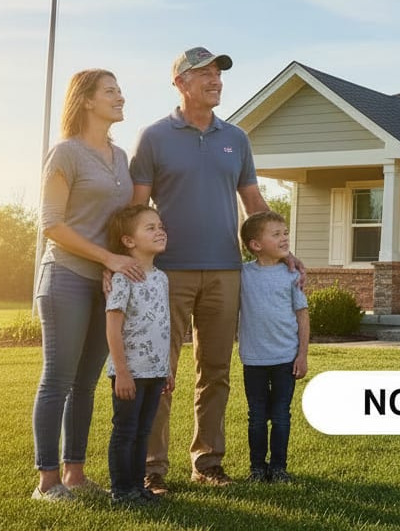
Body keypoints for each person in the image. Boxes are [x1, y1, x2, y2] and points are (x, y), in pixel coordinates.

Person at [128, 47, 302, 491]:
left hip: (226, 271)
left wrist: (283, 250)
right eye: (203, 74)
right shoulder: (154, 137)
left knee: (216, 371)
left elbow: (254, 204)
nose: (215, 80)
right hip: (169, 272)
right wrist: (129, 260)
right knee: (158, 371)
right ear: (180, 83)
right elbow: (135, 207)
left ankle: (207, 462)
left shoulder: (236, 138)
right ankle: (152, 468)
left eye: (218, 74)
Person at [32, 69, 145, 501]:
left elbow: (120, 222)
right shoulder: (65, 153)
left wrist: (119, 261)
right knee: (58, 380)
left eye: (120, 89)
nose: (120, 96)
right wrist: (107, 258)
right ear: (86, 101)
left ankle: (75, 474)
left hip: (105, 283)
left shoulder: (119, 157)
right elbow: (52, 225)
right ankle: (47, 481)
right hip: (66, 276)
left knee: (86, 382)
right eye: (111, 91)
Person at [103, 205, 174, 505]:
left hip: (155, 371)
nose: (160, 231)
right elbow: (113, 328)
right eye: (150, 227)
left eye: (160, 226)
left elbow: (163, 326)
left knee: (143, 431)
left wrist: (166, 367)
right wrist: (121, 371)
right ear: (128, 241)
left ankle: (137, 486)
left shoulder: (162, 278)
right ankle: (122, 490)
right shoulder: (123, 277)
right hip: (129, 373)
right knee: (126, 431)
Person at [237, 211, 309, 483]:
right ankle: (257, 468)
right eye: (276, 234)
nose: (284, 238)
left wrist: (302, 354)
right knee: (256, 415)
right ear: (256, 245)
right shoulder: (243, 275)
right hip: (254, 359)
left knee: (280, 415)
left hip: (285, 359)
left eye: (285, 233)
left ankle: (278, 468)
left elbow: (302, 314)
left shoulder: (292, 275)